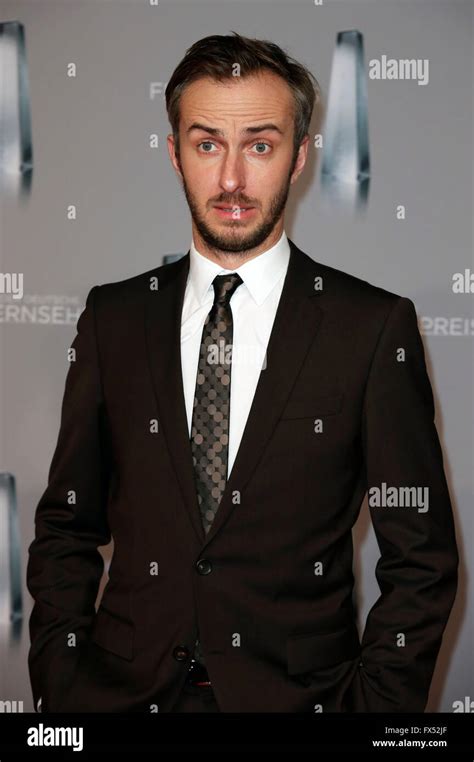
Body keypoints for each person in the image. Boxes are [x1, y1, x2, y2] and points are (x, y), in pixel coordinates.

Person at [27, 31, 458, 713]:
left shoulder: (370, 329)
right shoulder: (113, 319)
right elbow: (67, 528)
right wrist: (63, 682)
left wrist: (374, 711)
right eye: (207, 145)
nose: (231, 179)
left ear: (299, 157)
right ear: (174, 153)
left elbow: (422, 559)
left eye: (259, 144)